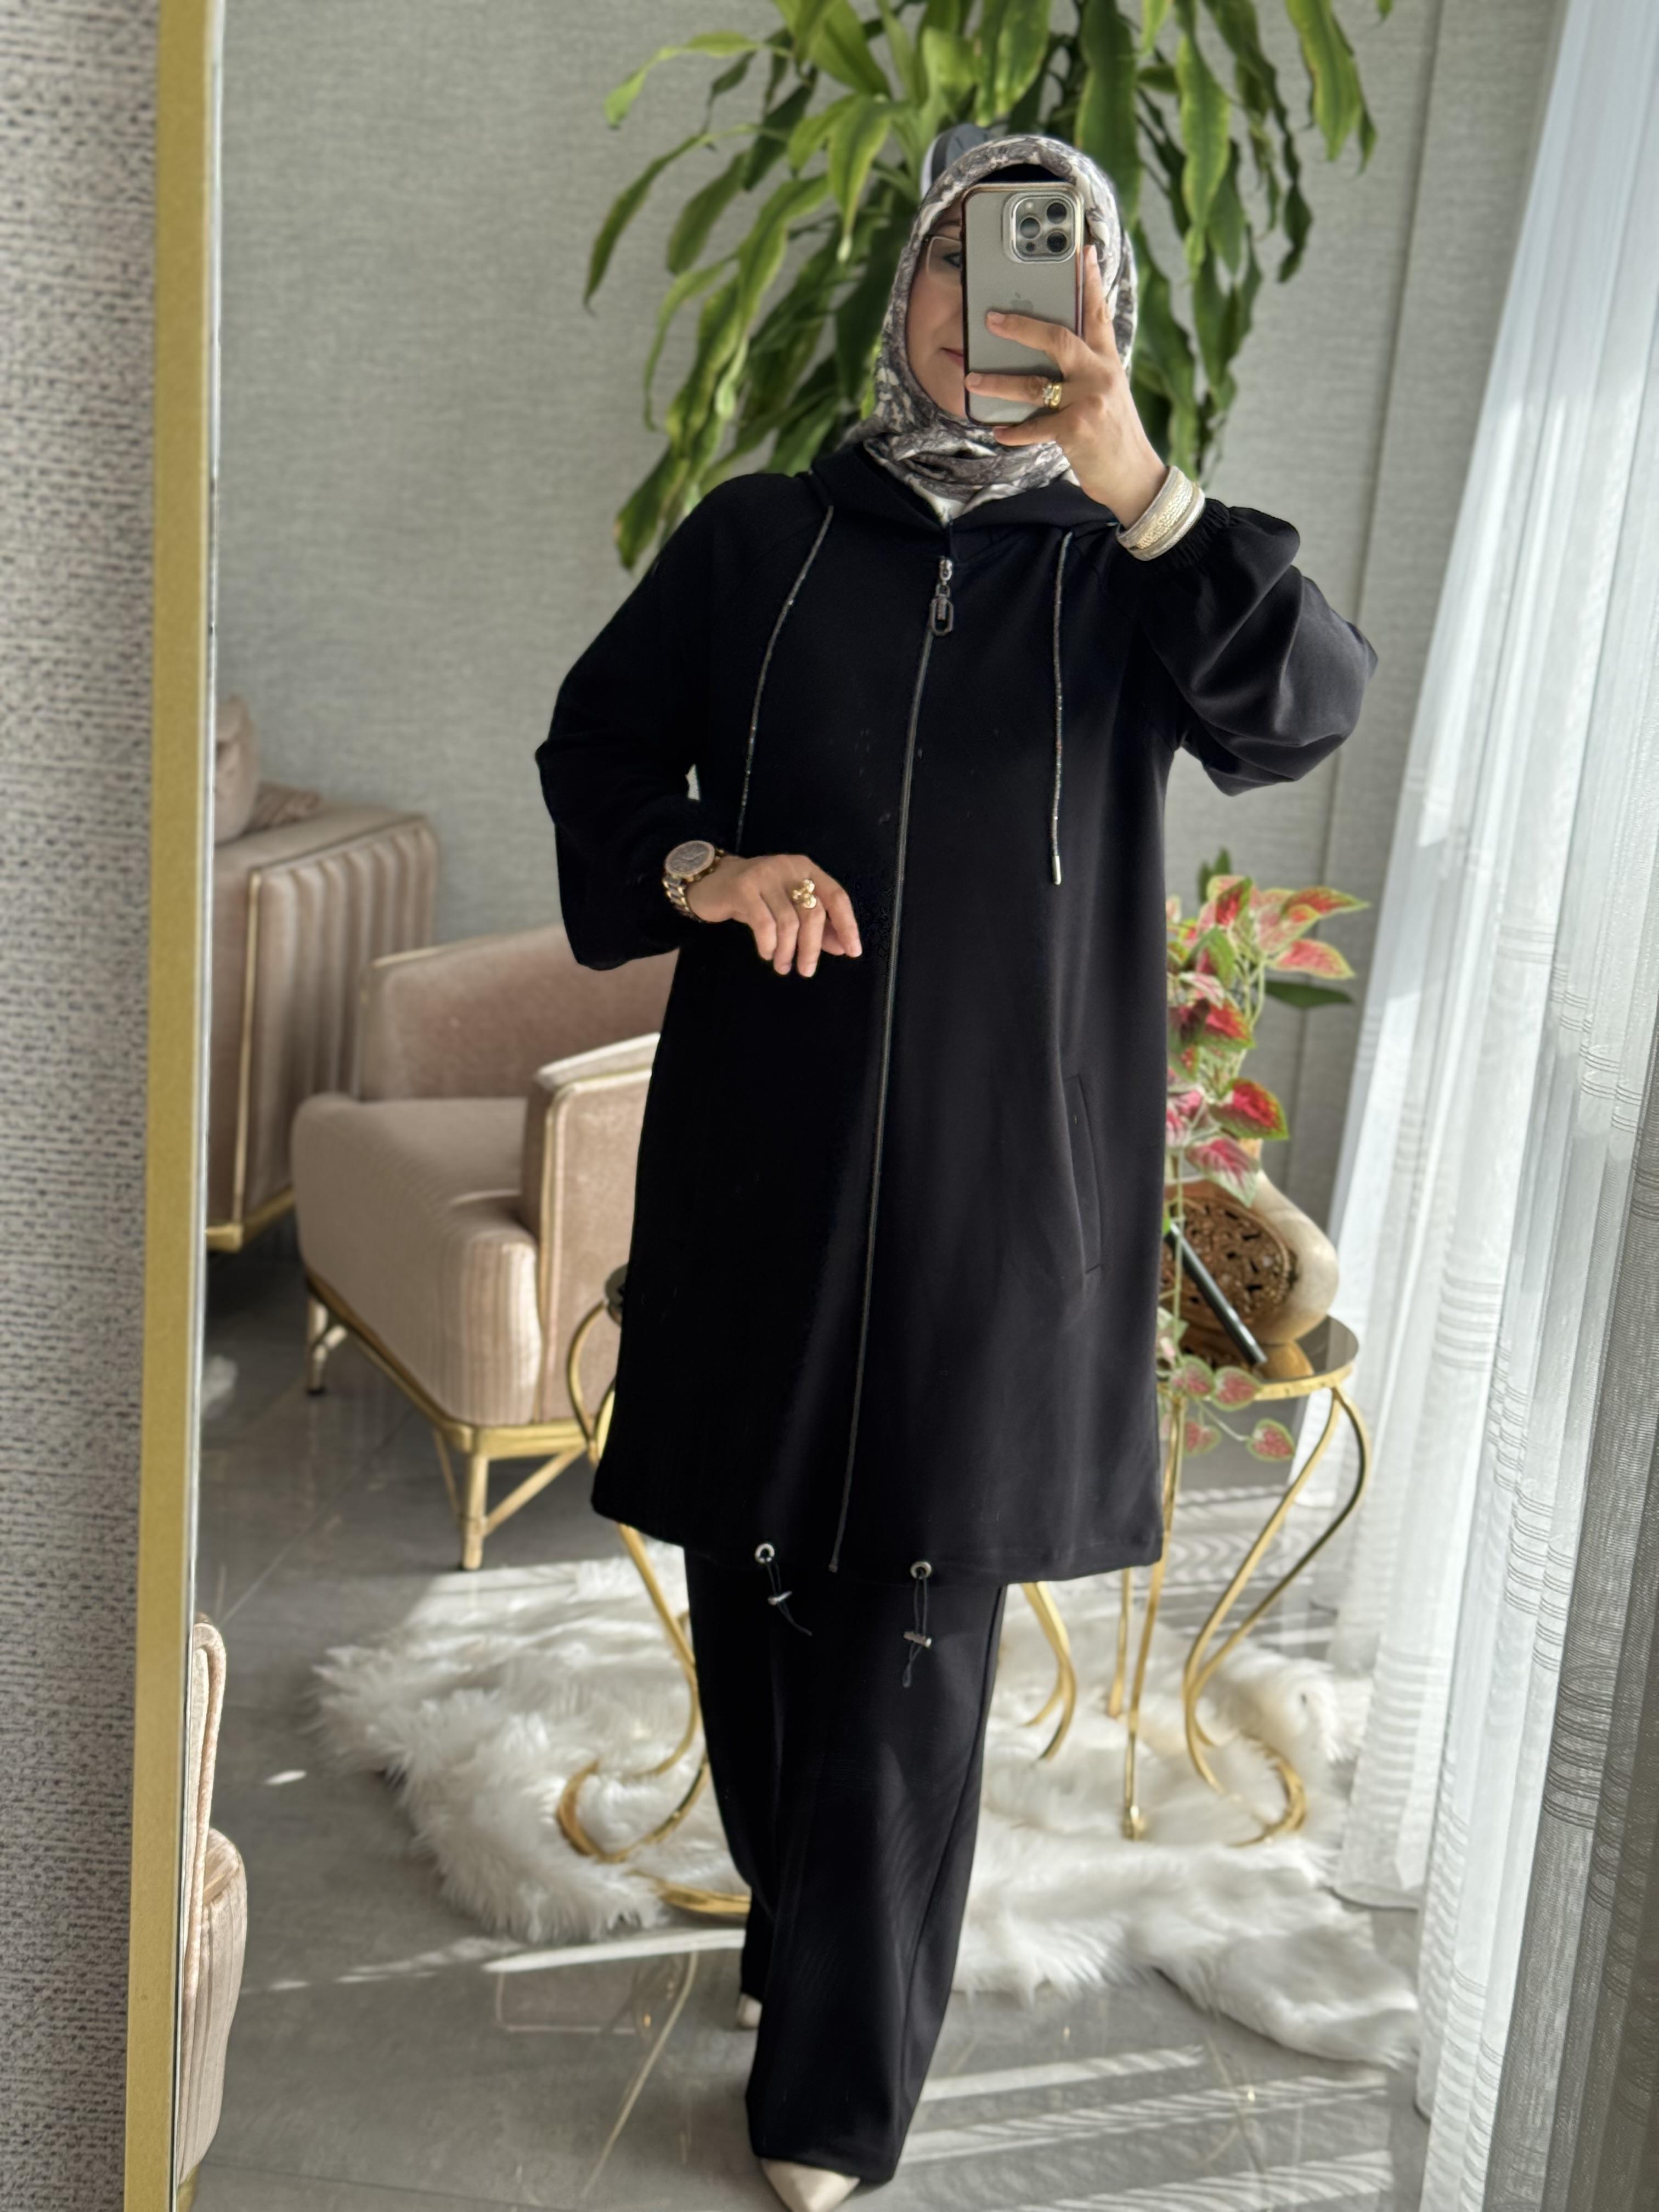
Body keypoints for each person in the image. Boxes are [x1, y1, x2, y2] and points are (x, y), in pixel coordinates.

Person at [537, 128, 1379, 2211]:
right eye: (966, 265)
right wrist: (709, 867)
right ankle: (796, 1921)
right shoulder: (759, 540)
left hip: (1007, 1194)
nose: (996, 310)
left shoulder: (1136, 573)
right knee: (752, 1583)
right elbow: (600, 747)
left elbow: (1306, 708)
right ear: (911, 289)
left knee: (917, 1628)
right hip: (766, 1158)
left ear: (1104, 313)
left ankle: (835, 2098)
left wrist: (1139, 477)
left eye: (1053, 270)